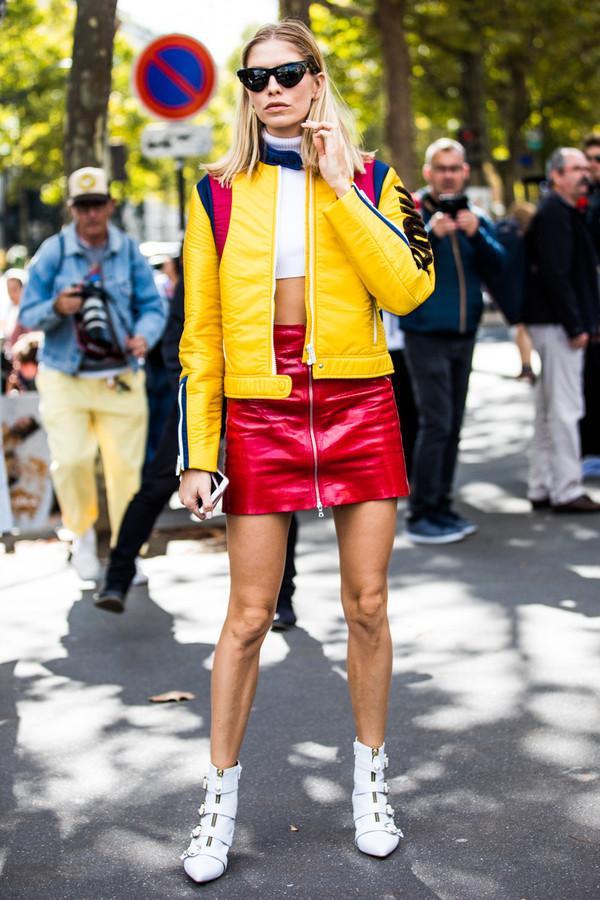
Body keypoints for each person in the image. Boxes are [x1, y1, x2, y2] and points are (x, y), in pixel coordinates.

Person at [176, 19, 435, 885]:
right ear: (245, 94)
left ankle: (371, 784)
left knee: (368, 604)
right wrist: (198, 452)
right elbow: (201, 336)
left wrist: (337, 182)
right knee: (249, 616)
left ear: (318, 80)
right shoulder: (216, 191)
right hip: (262, 406)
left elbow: (409, 287)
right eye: (256, 79)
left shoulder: (375, 178)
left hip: (359, 399)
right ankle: (218, 801)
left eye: (289, 73)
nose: (273, 89)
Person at [19, 166, 166, 578]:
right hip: (65, 376)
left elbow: (153, 306)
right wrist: (56, 307)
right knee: (70, 460)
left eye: (97, 204)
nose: (91, 214)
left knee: (126, 471)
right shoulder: (53, 252)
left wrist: (144, 335)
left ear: (110, 205)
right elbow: (28, 313)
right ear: (72, 209)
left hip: (120, 376)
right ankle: (81, 535)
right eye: (83, 206)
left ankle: (125, 553)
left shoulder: (129, 252)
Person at [402, 138, 505, 545]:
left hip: (465, 333)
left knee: (454, 425)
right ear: (429, 172)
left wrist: (478, 235)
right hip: (425, 334)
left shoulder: (473, 214)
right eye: (441, 168)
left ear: (465, 172)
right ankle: (422, 512)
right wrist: (429, 235)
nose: (448, 175)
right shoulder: (411, 212)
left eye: (454, 168)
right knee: (437, 423)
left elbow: (501, 266)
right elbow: (397, 266)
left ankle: (442, 505)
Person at [522, 148, 600, 512]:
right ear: (556, 175)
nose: (585, 173)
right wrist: (576, 325)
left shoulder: (561, 210)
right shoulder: (556, 213)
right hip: (557, 324)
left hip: (553, 322)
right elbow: (557, 274)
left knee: (548, 408)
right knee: (566, 408)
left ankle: (541, 485)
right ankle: (566, 489)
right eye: (576, 168)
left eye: (586, 167)